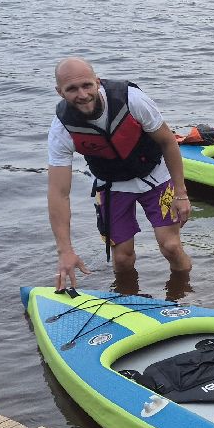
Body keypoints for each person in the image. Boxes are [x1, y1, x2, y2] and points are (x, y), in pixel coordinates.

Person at [46, 57, 192, 290]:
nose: (82, 95)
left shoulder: (131, 100)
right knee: (122, 258)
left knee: (171, 246)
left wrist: (181, 193)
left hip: (155, 176)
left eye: (87, 85)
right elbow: (58, 192)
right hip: (112, 186)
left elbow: (168, 142)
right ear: (59, 92)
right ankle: (127, 303)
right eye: (71, 89)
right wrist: (65, 250)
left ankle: (184, 296)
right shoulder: (61, 129)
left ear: (97, 81)